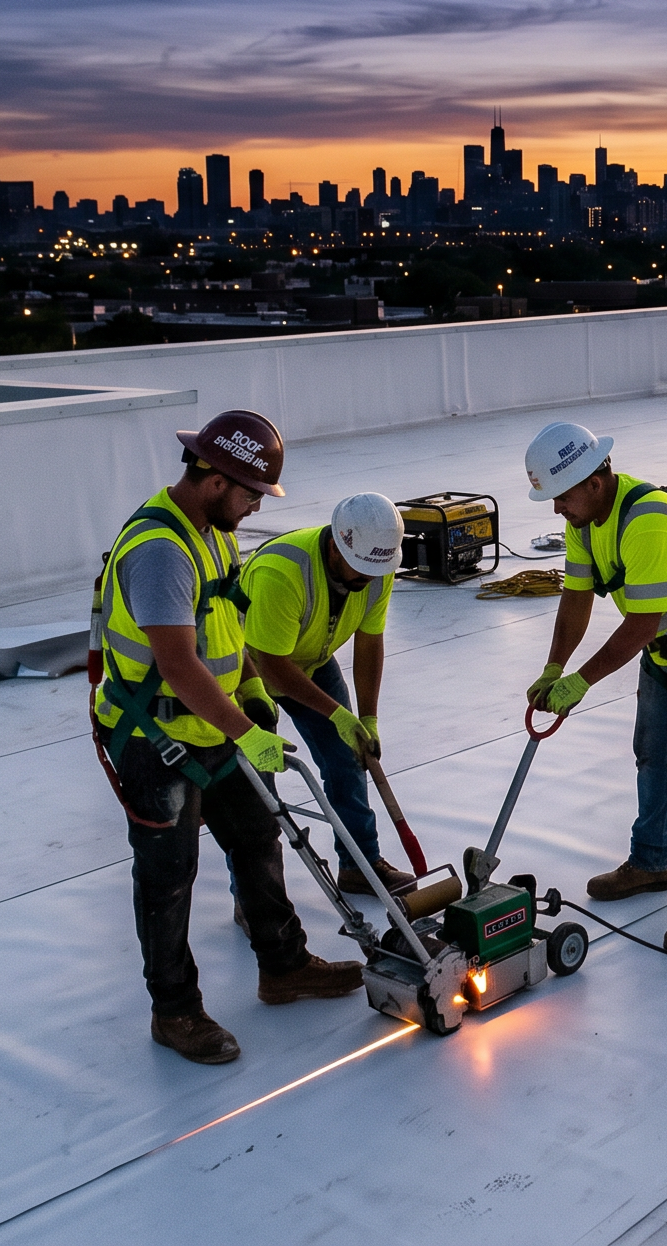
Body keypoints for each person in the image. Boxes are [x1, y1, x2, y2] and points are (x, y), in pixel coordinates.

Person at [92, 410, 362, 1066]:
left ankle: (284, 966)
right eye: (249, 495)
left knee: (259, 837)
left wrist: (251, 694)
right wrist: (246, 728)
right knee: (169, 876)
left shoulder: (214, 532)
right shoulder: (161, 550)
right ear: (214, 480)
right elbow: (179, 664)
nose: (252, 508)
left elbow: (225, 624)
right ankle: (175, 1012)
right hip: (156, 738)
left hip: (214, 726)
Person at [522, 419, 667, 953]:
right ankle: (651, 862)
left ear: (594, 482)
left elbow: (642, 623)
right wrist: (554, 668)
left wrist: (582, 680)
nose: (556, 509)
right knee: (651, 754)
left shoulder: (647, 522)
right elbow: (577, 598)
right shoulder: (584, 523)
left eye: (560, 497)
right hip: (666, 647)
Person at [241, 491, 412, 898]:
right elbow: (273, 666)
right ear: (336, 545)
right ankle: (255, 900)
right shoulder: (282, 573)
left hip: (312, 660)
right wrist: (336, 713)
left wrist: (366, 719)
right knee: (254, 789)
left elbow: (370, 643)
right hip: (246, 672)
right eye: (360, 570)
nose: (367, 580)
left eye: (375, 571)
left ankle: (360, 866)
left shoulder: (376, 565)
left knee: (348, 761)